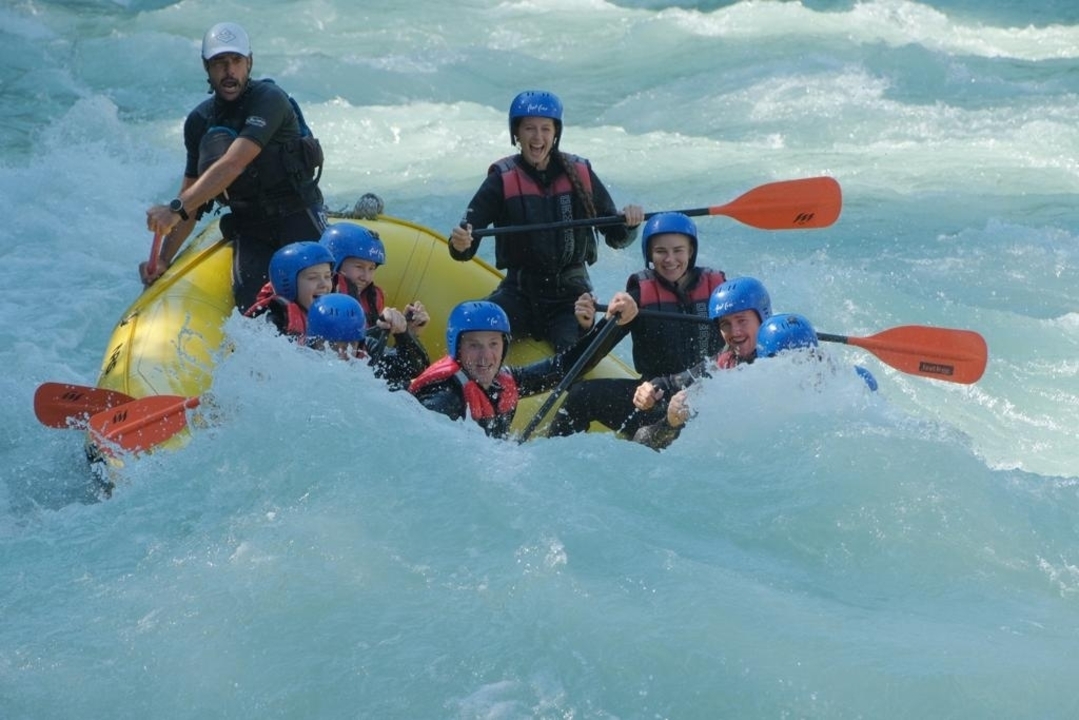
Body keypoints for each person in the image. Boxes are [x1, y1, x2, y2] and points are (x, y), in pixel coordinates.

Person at [141, 21, 327, 312]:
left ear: (249, 63)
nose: (229, 71)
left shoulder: (270, 100)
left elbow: (234, 163)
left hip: (297, 215)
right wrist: (164, 259)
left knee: (321, 301)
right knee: (254, 311)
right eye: (219, 63)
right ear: (206, 67)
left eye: (236, 61)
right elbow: (191, 199)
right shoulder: (199, 122)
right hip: (249, 228)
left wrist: (174, 209)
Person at [447, 90, 645, 351]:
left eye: (545, 129)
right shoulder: (501, 180)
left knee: (570, 348)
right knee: (474, 323)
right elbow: (465, 244)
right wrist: (460, 243)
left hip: (571, 297)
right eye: (529, 128)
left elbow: (617, 236)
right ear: (516, 133)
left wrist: (630, 224)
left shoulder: (581, 174)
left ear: (555, 133)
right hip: (519, 292)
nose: (537, 137)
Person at [546, 212, 728, 439]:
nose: (670, 259)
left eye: (678, 250)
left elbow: (742, 342)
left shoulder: (718, 292)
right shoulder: (637, 297)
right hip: (651, 399)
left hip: (706, 398)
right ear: (649, 255)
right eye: (661, 251)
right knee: (581, 394)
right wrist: (586, 326)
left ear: (691, 252)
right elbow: (586, 357)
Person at [408, 295, 638, 439]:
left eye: (493, 344)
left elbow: (566, 366)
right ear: (457, 348)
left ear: (504, 346)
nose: (486, 356)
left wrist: (611, 324)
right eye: (474, 345)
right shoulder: (445, 398)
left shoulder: (505, 381)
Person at [630, 276, 772, 450]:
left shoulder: (788, 351)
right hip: (735, 448)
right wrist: (652, 391)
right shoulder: (722, 363)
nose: (734, 332)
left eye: (742, 320)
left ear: (762, 317)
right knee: (642, 437)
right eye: (725, 324)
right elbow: (674, 382)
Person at [319, 223, 430, 344]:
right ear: (333, 265)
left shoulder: (372, 298)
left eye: (371, 268)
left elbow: (368, 354)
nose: (366, 277)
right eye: (359, 266)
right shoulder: (320, 296)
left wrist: (407, 331)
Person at [306, 293, 429, 389]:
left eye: (349, 346)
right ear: (313, 343)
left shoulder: (366, 354)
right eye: (332, 347)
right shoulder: (300, 358)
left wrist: (404, 334)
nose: (342, 356)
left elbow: (414, 371)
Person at [244, 241, 334, 337]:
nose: (324, 284)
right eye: (312, 278)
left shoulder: (331, 313)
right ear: (289, 284)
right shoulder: (277, 319)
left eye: (327, 276)